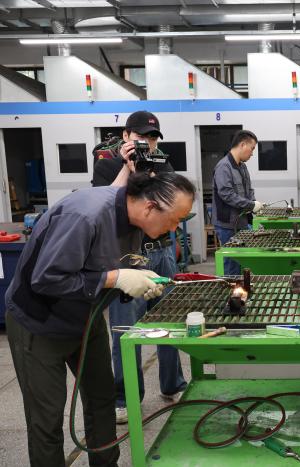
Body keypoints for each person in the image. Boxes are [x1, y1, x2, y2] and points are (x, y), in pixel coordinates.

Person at [5, 171, 195, 466]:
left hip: (85, 318)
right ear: (150, 207)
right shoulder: (86, 216)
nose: (174, 229)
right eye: (174, 220)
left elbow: (112, 265)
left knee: (102, 401)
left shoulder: (133, 223)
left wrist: (136, 279)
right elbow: (46, 279)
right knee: (47, 418)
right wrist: (114, 278)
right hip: (39, 322)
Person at [92, 110, 187, 424]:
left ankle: (173, 384)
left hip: (163, 253)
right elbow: (105, 203)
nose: (147, 143)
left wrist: (153, 169)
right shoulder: (107, 163)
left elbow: (172, 202)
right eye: (141, 137)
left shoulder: (162, 162)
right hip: (130, 257)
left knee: (171, 323)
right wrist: (127, 166)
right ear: (125, 136)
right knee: (125, 330)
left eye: (153, 137)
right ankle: (124, 396)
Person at [212, 129, 263, 275]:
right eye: (252, 148)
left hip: (241, 221)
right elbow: (226, 194)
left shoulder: (242, 166)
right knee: (232, 262)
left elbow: (248, 189)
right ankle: (232, 295)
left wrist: (254, 203)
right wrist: (250, 205)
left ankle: (240, 291)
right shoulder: (223, 167)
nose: (252, 153)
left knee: (242, 261)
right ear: (242, 145)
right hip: (227, 224)